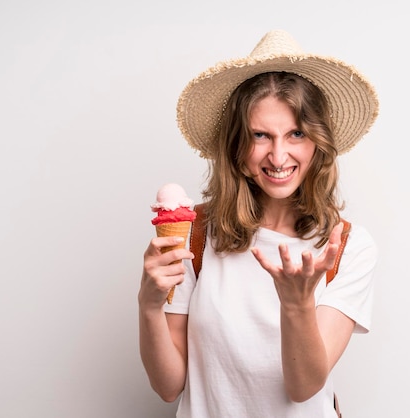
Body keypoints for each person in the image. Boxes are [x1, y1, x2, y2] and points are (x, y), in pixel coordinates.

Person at [138, 29, 379, 418]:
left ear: (318, 143)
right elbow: (168, 387)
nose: (279, 155)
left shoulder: (347, 247)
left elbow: (303, 389)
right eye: (260, 136)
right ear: (236, 146)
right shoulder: (196, 234)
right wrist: (148, 305)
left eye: (296, 133)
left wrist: (297, 303)